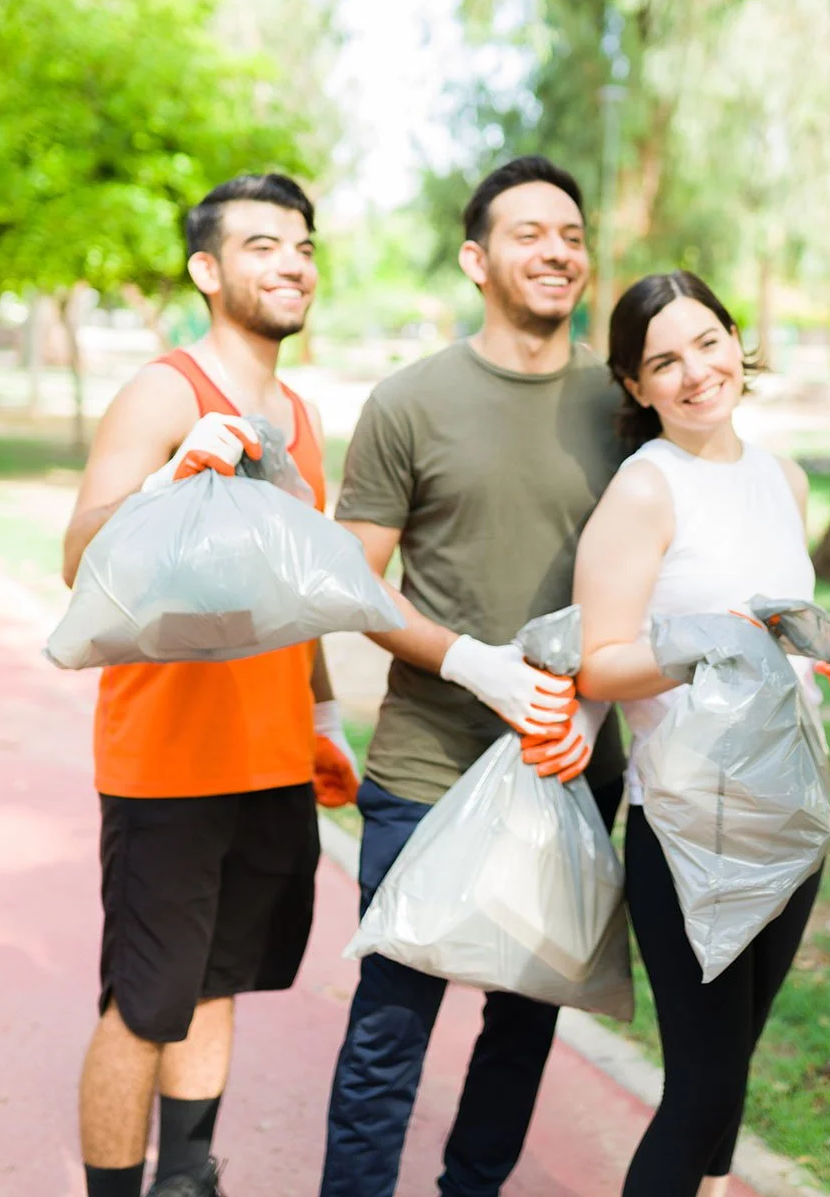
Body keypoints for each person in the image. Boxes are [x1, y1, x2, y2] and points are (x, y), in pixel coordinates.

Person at [320, 156, 629, 1197]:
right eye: (530, 233)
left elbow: (661, 571)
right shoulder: (410, 401)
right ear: (475, 258)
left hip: (572, 764)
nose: (557, 252)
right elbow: (353, 582)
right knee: (389, 1030)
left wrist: (588, 700)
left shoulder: (623, 404)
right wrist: (474, 664)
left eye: (572, 235)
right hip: (429, 764)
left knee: (524, 1023)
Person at [63, 173, 360, 1197]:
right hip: (166, 765)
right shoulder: (166, 391)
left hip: (270, 757)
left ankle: (187, 1180)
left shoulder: (303, 417)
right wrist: (162, 481)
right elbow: (78, 557)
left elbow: (298, 589)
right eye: (264, 245)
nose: (291, 264)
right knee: (144, 1005)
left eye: (304, 247)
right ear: (207, 269)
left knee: (218, 983)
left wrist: (321, 716)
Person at [571, 270, 830, 1197]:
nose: (695, 372)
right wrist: (714, 639)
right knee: (701, 1085)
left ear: (734, 338)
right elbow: (600, 663)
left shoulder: (780, 475)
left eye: (707, 342)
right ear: (635, 386)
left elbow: (780, 627)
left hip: (787, 810)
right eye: (664, 361)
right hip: (687, 826)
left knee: (731, 1070)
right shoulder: (645, 488)